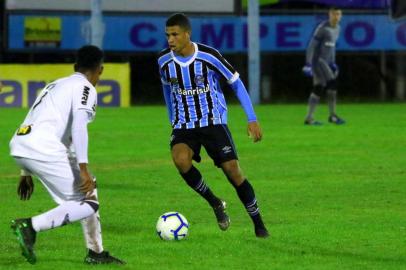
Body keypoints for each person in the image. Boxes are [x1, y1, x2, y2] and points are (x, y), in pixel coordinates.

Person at [9, 45, 125, 265]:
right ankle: (30, 226)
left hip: (21, 144)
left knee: (89, 191)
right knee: (88, 203)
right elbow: (79, 127)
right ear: (100, 70)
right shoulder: (86, 88)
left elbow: (34, 119)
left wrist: (26, 171)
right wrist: (83, 168)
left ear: (75, 66)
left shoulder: (55, 84)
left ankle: (96, 253)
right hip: (43, 148)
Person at [157, 13, 269, 238]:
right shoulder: (163, 61)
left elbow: (235, 82)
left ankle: (258, 223)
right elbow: (167, 89)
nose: (170, 39)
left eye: (175, 35)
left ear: (187, 34)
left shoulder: (209, 56)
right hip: (184, 125)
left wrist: (251, 117)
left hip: (213, 122)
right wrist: (173, 119)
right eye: (168, 35)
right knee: (180, 160)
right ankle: (215, 202)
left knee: (233, 172)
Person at [302, 6, 345, 125]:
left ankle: (309, 118)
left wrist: (333, 62)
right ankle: (332, 116)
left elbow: (332, 48)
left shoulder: (337, 29)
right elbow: (311, 46)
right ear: (329, 15)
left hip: (326, 62)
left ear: (341, 16)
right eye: (334, 14)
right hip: (318, 61)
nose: (336, 17)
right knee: (332, 84)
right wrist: (308, 64)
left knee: (319, 88)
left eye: (338, 14)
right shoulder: (322, 28)